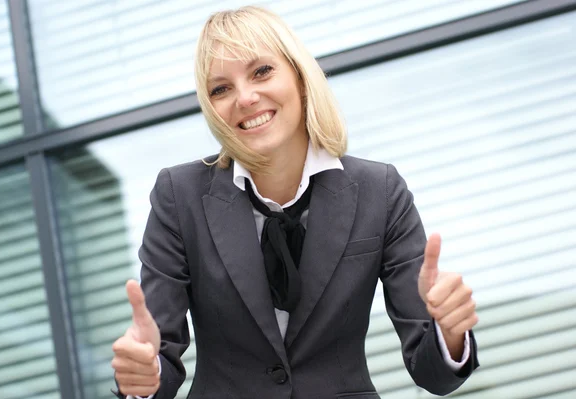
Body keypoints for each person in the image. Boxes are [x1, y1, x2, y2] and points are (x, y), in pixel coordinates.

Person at [110, 5, 479, 399]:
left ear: (301, 77)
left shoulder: (379, 191)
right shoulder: (178, 196)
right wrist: (143, 377)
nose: (246, 97)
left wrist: (450, 333)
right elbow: (157, 361)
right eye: (221, 89)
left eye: (261, 71)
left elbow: (434, 374)